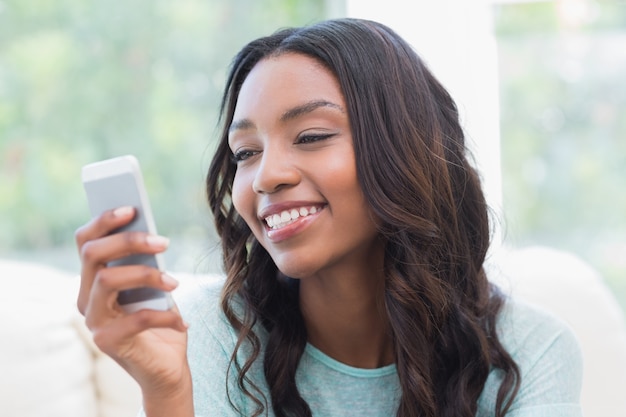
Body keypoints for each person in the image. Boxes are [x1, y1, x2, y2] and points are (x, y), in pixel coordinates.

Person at [75, 18, 584, 417]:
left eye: (312, 137)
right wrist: (166, 395)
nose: (265, 176)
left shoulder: (530, 352)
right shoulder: (210, 335)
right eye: (245, 152)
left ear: (409, 153)